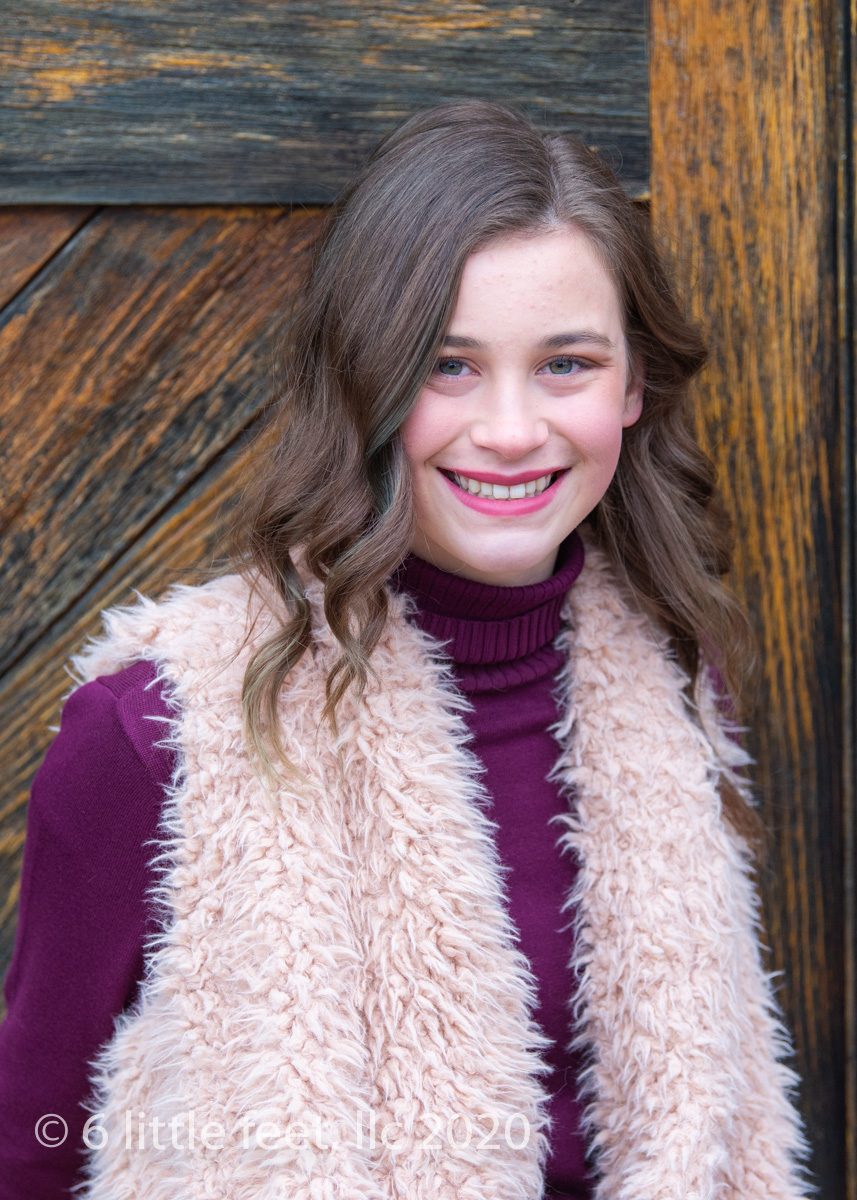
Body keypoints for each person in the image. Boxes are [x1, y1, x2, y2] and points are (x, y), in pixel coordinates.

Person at [0, 101, 812, 1200]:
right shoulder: (154, 730)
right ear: (366, 379)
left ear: (632, 388)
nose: (512, 430)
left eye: (566, 363)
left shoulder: (670, 687)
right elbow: (33, 1144)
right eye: (448, 365)